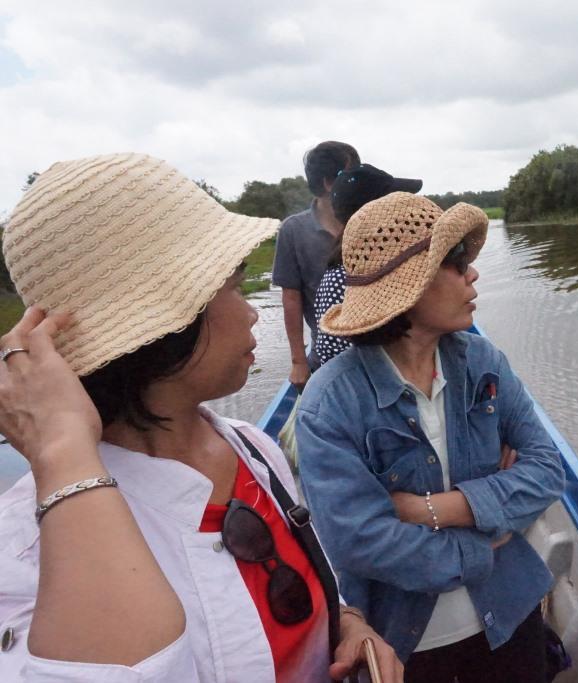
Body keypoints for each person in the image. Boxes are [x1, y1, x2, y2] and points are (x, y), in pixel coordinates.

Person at [0, 153, 402, 682]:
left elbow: (315, 582)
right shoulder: (30, 550)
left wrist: (346, 621)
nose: (253, 309)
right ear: (167, 328)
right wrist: (62, 457)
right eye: (236, 287)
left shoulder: (253, 449)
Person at [296, 192, 566, 683]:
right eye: (457, 262)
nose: (473, 274)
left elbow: (547, 470)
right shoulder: (330, 403)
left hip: (508, 613)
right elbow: (362, 542)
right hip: (406, 643)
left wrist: (428, 510)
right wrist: (487, 543)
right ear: (409, 288)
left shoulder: (483, 362)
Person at [314, 163, 423, 365]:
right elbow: (340, 358)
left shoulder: (387, 264)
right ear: (372, 213)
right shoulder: (345, 277)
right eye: (396, 203)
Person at [272, 141, 360, 390]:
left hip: (381, 344)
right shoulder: (293, 230)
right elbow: (291, 298)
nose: (357, 181)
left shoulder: (367, 221)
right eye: (352, 176)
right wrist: (298, 361)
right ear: (328, 183)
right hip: (329, 350)